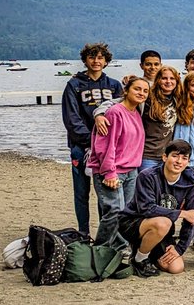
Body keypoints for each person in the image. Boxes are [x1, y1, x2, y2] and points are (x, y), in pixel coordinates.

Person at [116, 139, 194, 277]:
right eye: (175, 156)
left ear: (188, 162)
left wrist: (179, 248)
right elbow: (146, 209)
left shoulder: (191, 182)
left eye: (184, 158)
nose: (179, 161)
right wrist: (181, 213)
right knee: (163, 223)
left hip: (161, 230)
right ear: (164, 157)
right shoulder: (147, 176)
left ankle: (147, 250)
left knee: (176, 267)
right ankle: (139, 260)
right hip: (133, 223)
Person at [63, 42, 123, 235]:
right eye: (92, 57)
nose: (96, 61)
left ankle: (104, 235)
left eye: (100, 58)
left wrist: (107, 144)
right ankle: (83, 233)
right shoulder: (74, 85)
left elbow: (122, 115)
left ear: (106, 61)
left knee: (104, 194)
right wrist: (92, 140)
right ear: (85, 60)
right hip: (81, 147)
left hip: (106, 150)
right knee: (81, 193)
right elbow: (71, 118)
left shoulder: (114, 86)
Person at [88, 76, 148, 248]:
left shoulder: (136, 113)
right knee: (114, 211)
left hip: (131, 171)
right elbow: (105, 145)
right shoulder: (114, 112)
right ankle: (100, 249)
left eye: (145, 91)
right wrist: (109, 173)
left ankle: (118, 249)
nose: (141, 93)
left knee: (126, 213)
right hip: (112, 171)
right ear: (126, 91)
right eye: (137, 89)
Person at [136, 66, 179, 173]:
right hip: (147, 155)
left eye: (172, 78)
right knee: (147, 182)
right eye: (164, 78)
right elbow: (120, 102)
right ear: (158, 80)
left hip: (166, 156)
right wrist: (99, 114)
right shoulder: (148, 97)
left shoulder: (177, 99)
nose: (168, 81)